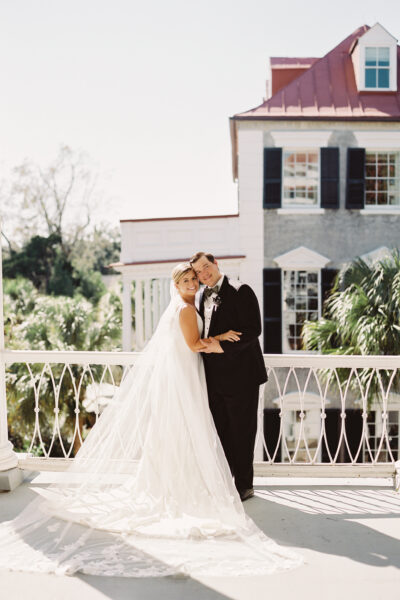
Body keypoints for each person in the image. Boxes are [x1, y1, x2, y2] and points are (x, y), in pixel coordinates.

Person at [0, 263, 302, 577]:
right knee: (189, 430)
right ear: (176, 284)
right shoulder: (185, 310)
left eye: (193, 279)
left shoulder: (190, 305)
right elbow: (194, 345)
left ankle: (193, 480)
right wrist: (224, 337)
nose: (191, 284)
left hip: (188, 375)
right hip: (186, 378)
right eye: (185, 280)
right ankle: (186, 484)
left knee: (184, 432)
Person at [190, 252, 267, 501]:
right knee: (220, 432)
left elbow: (254, 329)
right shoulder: (200, 295)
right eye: (198, 272)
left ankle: (244, 486)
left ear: (216, 264)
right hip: (213, 377)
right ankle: (225, 483)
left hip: (242, 376)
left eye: (206, 267)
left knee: (243, 432)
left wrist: (221, 346)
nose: (203, 274)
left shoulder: (241, 289)